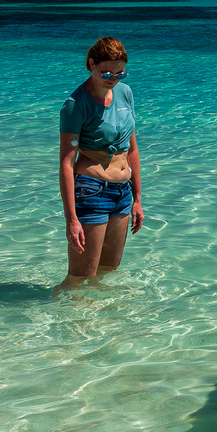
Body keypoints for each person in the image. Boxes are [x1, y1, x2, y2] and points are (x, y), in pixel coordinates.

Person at [57, 36, 144, 288]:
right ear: (91, 63)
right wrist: (71, 219)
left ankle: (101, 326)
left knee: (108, 271)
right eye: (107, 72)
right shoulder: (75, 105)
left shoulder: (125, 94)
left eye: (120, 73)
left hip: (122, 194)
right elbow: (66, 162)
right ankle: (66, 322)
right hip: (91, 191)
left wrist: (137, 199)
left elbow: (132, 149)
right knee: (80, 278)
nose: (113, 78)